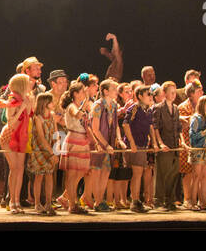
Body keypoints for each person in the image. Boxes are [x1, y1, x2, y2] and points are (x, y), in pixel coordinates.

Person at [0, 73, 35, 213]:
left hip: (22, 135)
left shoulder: (26, 98)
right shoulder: (13, 98)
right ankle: (12, 201)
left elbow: (31, 114)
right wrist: (21, 107)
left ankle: (17, 201)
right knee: (14, 169)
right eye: (27, 82)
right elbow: (10, 121)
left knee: (20, 170)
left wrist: (29, 103)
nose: (30, 84)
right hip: (10, 135)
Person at [86, 79, 121, 212]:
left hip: (109, 143)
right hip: (99, 144)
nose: (116, 92)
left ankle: (101, 200)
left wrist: (118, 139)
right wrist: (105, 144)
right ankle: (98, 201)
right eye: (113, 89)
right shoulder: (98, 105)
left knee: (106, 172)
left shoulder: (114, 105)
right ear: (105, 91)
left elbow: (115, 125)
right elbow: (95, 128)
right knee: (97, 172)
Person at [59, 81, 93, 214]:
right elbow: (77, 114)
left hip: (82, 140)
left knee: (81, 171)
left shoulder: (80, 105)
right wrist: (86, 101)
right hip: (74, 139)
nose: (85, 94)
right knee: (72, 174)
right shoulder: (72, 106)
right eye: (82, 91)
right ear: (75, 93)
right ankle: (72, 204)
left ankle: (69, 199)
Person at [119, 85, 154, 213]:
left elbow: (150, 127)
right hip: (135, 145)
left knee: (138, 173)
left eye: (151, 94)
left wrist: (154, 143)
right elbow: (125, 124)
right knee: (136, 173)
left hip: (142, 145)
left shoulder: (148, 110)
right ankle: (134, 200)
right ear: (140, 96)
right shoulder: (135, 108)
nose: (151, 97)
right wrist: (132, 143)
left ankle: (135, 200)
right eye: (148, 94)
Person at [151, 81, 184, 212]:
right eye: (171, 92)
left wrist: (183, 142)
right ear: (164, 93)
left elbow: (179, 128)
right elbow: (155, 127)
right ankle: (158, 200)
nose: (174, 94)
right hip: (164, 144)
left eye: (175, 92)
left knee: (174, 173)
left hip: (175, 144)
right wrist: (160, 143)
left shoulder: (175, 108)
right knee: (162, 174)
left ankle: (170, 199)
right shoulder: (158, 108)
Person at [27, 92, 59, 215]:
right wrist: (51, 154)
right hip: (40, 151)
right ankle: (37, 203)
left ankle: (48, 202)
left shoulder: (52, 116)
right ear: (45, 103)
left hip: (51, 149)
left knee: (49, 175)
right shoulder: (37, 118)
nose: (53, 103)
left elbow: (56, 134)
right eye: (51, 102)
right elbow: (40, 137)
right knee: (39, 176)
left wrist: (56, 148)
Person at [186, 96, 206, 210]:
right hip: (198, 149)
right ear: (202, 105)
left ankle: (203, 201)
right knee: (196, 176)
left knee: (204, 176)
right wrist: (205, 132)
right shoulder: (196, 118)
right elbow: (192, 136)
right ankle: (192, 202)